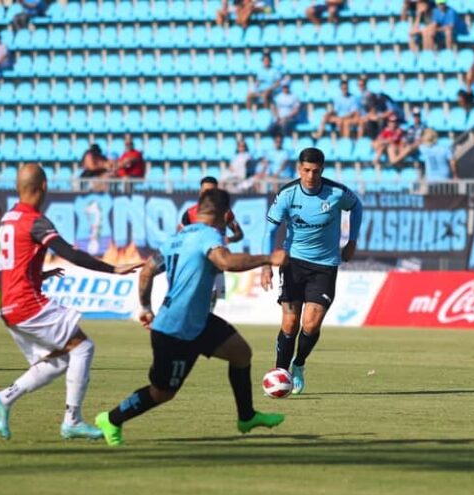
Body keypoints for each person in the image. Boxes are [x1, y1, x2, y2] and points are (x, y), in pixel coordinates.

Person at [94, 188, 288, 446]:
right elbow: (226, 262)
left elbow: (146, 272)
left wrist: (145, 307)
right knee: (162, 393)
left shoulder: (176, 238)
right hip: (176, 329)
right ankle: (111, 418)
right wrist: (269, 258)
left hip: (197, 321)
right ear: (223, 214)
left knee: (241, 353)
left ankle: (247, 416)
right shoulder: (209, 235)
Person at [0, 164, 141, 441]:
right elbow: (70, 253)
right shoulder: (36, 220)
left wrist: (39, 273)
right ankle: (72, 420)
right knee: (83, 347)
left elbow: (13, 263)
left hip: (8, 305)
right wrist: (113, 270)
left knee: (57, 362)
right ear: (44, 186)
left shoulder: (8, 219)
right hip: (26, 303)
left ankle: (3, 398)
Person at [261, 148, 363, 394]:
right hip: (293, 263)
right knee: (290, 323)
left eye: (315, 171)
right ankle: (280, 373)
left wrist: (352, 242)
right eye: (306, 170)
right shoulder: (287, 194)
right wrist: (266, 264)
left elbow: (356, 206)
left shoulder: (337, 193)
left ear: (322, 170)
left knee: (311, 325)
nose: (310, 176)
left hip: (325, 265)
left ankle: (299, 363)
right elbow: (270, 231)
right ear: (299, 169)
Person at [181, 177, 244, 311]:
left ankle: (206, 324)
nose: (207, 194)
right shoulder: (189, 213)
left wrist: (229, 239)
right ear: (200, 192)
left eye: (211, 191)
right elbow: (180, 237)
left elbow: (239, 234)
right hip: (196, 261)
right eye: (205, 191)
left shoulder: (226, 213)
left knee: (212, 297)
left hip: (217, 259)